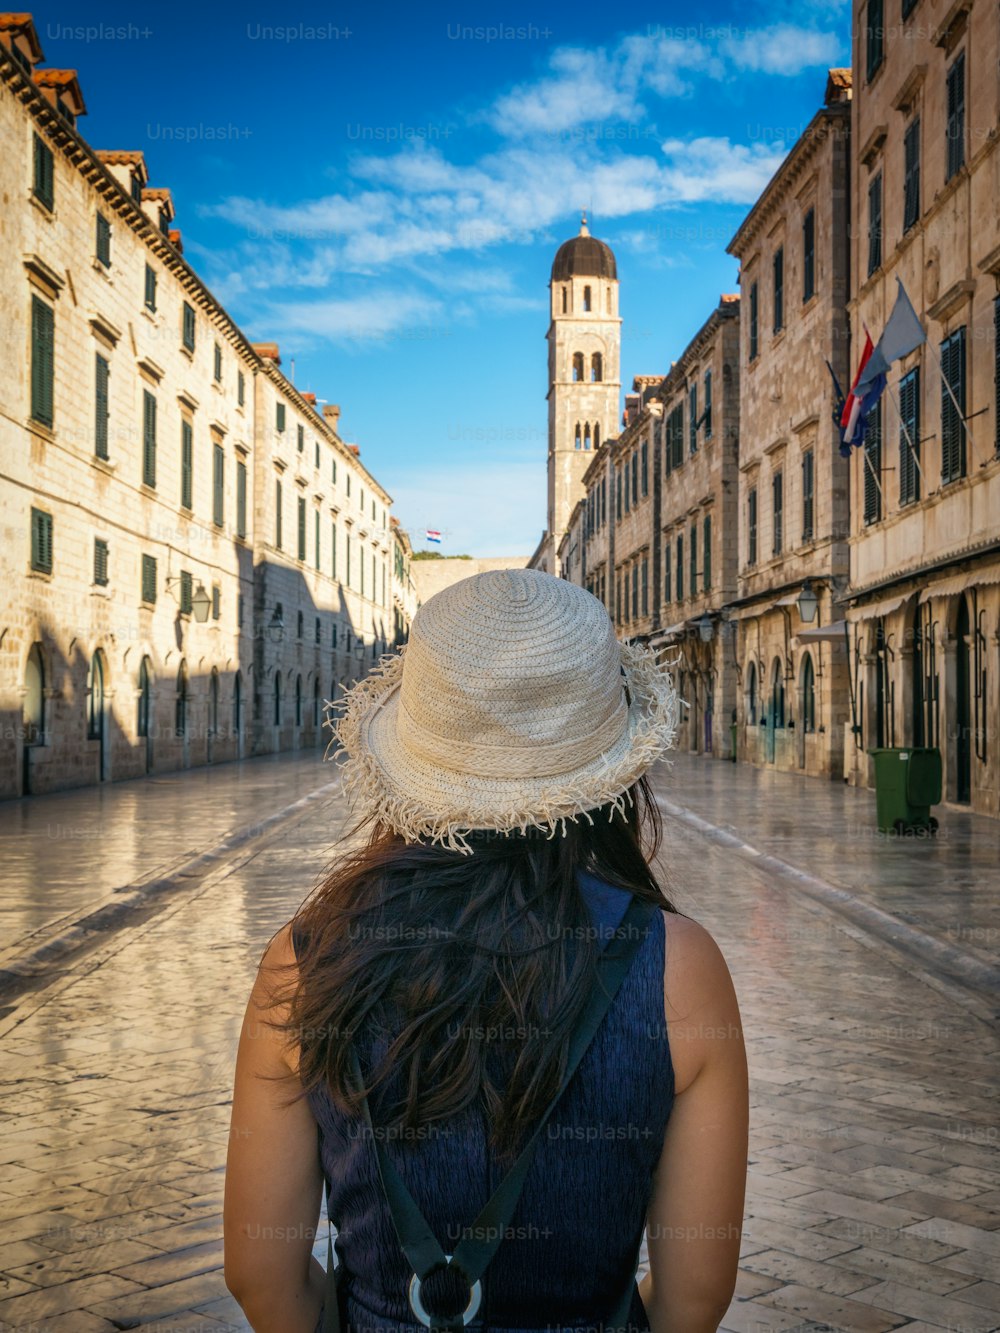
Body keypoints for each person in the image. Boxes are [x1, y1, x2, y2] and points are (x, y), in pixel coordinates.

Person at [224, 568, 748, 1333]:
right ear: (611, 770)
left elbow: (262, 1278)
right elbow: (693, 1298)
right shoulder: (681, 969)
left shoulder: (305, 959)